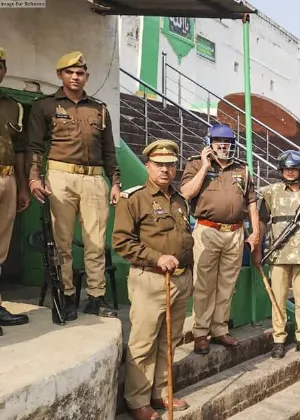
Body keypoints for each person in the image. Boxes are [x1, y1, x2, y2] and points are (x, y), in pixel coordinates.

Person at [26, 51, 121, 319]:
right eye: (70, 72)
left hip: (94, 178)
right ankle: (67, 296)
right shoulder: (45, 106)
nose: (75, 77)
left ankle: (95, 297)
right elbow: (35, 147)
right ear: (60, 75)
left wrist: (115, 182)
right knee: (61, 242)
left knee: (95, 242)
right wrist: (34, 178)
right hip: (60, 176)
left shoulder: (99, 109)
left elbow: (109, 150)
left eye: (80, 73)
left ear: (86, 76)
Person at [113, 140, 194, 420]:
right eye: (159, 164)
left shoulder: (179, 199)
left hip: (181, 279)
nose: (165, 170)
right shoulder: (133, 199)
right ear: (148, 165)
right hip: (150, 278)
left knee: (169, 341)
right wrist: (156, 257)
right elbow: (121, 242)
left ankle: (161, 391)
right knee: (143, 342)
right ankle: (138, 400)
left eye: (170, 165)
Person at [180, 123, 259, 354]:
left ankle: (220, 329)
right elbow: (186, 193)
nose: (223, 145)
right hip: (207, 230)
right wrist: (205, 166)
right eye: (218, 142)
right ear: (209, 143)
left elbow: (252, 202)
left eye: (227, 142)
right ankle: (201, 332)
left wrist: (254, 232)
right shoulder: (195, 163)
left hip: (235, 232)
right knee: (203, 285)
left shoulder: (242, 169)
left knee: (227, 284)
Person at [255, 150, 300, 360]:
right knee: (278, 298)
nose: (289, 172)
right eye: (286, 169)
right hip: (278, 251)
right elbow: (261, 220)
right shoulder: (271, 192)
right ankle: (279, 339)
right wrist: (259, 248)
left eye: (293, 169)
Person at [0, 47, 31, 334]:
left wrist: (22, 186)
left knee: (1, 245)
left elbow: (21, 150)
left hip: (7, 178)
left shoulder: (13, 105)